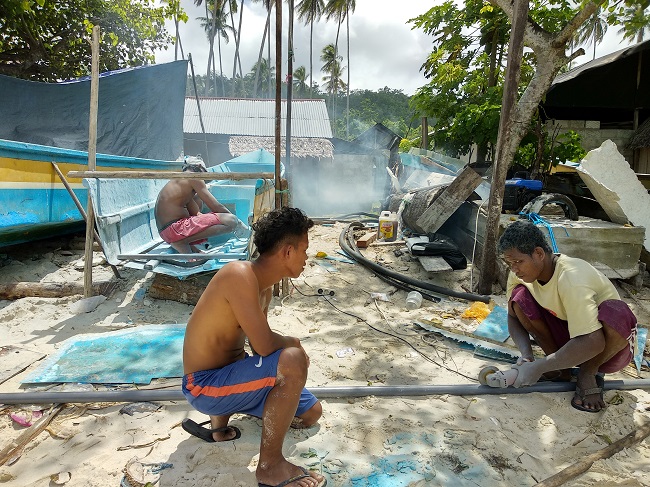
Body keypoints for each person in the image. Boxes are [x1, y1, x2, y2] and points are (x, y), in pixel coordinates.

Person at [181, 206, 326, 487]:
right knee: (292, 359)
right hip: (203, 386)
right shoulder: (238, 274)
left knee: (311, 413)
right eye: (304, 250)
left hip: (229, 377)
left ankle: (220, 424)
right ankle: (270, 467)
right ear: (287, 252)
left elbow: (261, 351)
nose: (307, 258)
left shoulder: (264, 288)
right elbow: (265, 344)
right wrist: (294, 344)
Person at [498, 219, 637, 412]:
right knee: (519, 297)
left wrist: (539, 367)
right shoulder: (519, 274)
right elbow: (513, 316)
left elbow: (594, 341)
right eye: (510, 263)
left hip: (607, 350)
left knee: (617, 312)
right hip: (572, 342)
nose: (514, 269)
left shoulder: (572, 276)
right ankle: (559, 369)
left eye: (518, 262)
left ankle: (588, 372)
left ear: (539, 254)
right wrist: (527, 356)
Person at [154, 157, 239, 255]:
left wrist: (197, 250)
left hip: (166, 234)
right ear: (199, 167)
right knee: (231, 220)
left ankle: (187, 244)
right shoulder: (194, 177)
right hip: (175, 230)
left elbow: (196, 214)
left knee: (199, 203)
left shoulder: (180, 182)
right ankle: (181, 242)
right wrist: (237, 223)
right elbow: (216, 207)